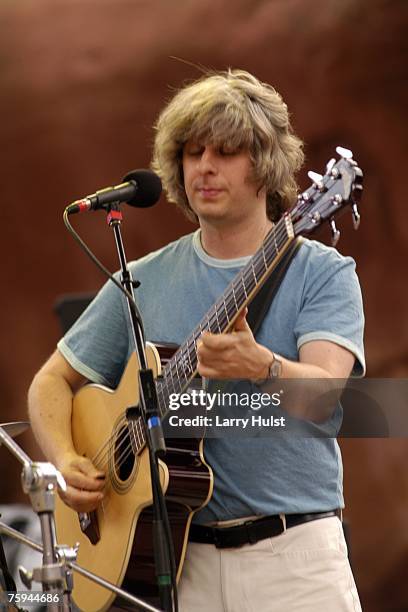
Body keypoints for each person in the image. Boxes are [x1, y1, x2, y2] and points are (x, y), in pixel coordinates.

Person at [28, 69, 365, 611]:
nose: (204, 166)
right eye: (191, 152)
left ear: (266, 165)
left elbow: (325, 396)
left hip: (295, 558)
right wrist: (67, 459)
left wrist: (264, 367)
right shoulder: (143, 276)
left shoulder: (322, 271)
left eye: (226, 151)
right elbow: (50, 383)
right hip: (182, 564)